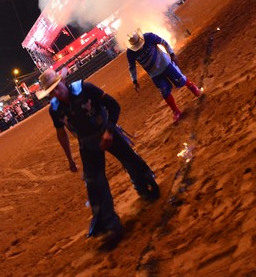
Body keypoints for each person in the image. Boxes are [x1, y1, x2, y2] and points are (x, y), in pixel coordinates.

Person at [37, 67, 159, 249]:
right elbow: (61, 133)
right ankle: (111, 226)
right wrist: (70, 158)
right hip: (87, 144)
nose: (56, 92)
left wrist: (109, 130)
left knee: (130, 159)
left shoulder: (85, 88)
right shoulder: (54, 110)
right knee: (95, 184)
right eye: (51, 91)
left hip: (106, 132)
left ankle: (146, 186)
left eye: (57, 87)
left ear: (62, 81)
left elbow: (113, 106)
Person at [126, 29, 202, 123]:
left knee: (180, 78)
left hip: (165, 64)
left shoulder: (149, 37)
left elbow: (163, 42)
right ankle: (176, 111)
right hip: (154, 74)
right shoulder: (130, 53)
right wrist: (134, 80)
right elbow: (131, 67)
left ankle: (192, 87)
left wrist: (172, 54)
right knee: (164, 91)